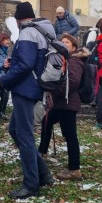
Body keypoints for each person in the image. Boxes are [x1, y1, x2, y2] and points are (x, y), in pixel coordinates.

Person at [0, 1, 54, 199]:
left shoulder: (28, 32)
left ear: (19, 18)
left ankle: (32, 184)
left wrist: (5, 79)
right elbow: (28, 62)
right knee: (15, 130)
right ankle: (44, 174)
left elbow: (27, 64)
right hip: (31, 86)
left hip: (25, 88)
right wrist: (13, 63)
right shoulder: (42, 31)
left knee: (25, 136)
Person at [38, 33, 86, 181]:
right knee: (46, 122)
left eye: (67, 42)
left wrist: (55, 91)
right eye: (62, 42)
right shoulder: (64, 58)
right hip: (60, 103)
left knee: (70, 135)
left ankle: (74, 169)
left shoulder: (75, 60)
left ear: (74, 47)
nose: (64, 44)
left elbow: (73, 81)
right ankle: (42, 152)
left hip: (68, 103)